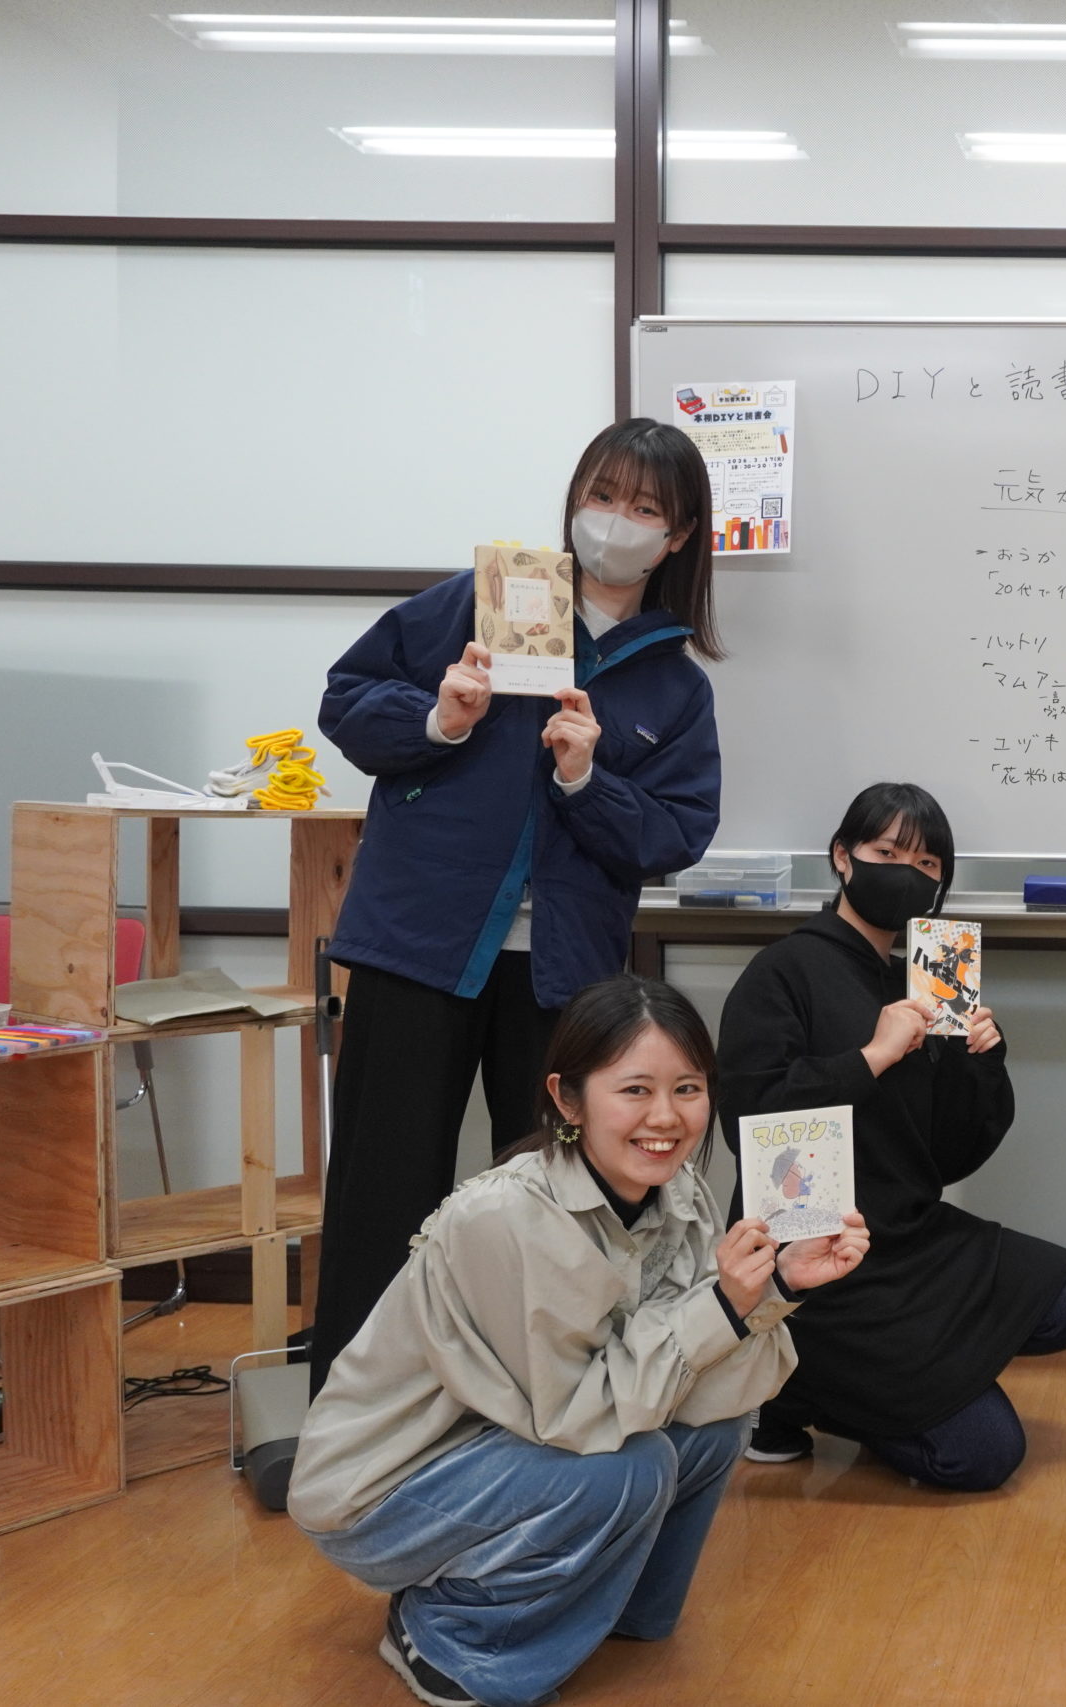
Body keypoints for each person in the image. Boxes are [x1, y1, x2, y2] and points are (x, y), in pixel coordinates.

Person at [290, 976, 870, 1707]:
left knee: (714, 1428)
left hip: (511, 1442)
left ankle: (609, 1606)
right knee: (630, 1468)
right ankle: (447, 1634)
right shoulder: (506, 1218)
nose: (666, 1117)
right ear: (567, 1099)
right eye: (635, 1090)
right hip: (384, 1487)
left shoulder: (681, 1195)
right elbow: (574, 1414)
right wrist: (723, 1304)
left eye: (688, 1088)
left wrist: (779, 1284)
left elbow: (702, 1380)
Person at [309, 420, 725, 1396]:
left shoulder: (674, 683)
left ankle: (538, 1405)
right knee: (381, 1188)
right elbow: (345, 699)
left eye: (644, 508)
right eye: (602, 495)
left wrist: (588, 781)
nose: (614, 521)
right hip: (421, 943)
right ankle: (350, 1414)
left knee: (553, 1202)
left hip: (564, 977)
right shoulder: (485, 603)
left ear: (676, 537)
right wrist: (438, 718)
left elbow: (675, 832)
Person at [718, 782, 1066, 1489]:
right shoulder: (782, 971)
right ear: (843, 857)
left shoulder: (929, 978)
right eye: (887, 853)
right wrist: (872, 1056)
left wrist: (980, 1059)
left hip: (910, 1236)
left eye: (927, 864)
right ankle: (790, 1388)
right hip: (819, 1258)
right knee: (983, 1455)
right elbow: (751, 1117)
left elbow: (952, 1152)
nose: (908, 873)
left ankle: (893, 1381)